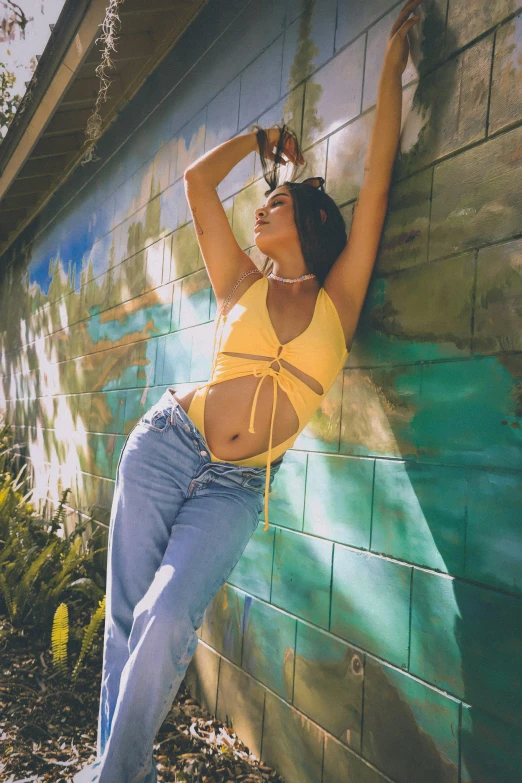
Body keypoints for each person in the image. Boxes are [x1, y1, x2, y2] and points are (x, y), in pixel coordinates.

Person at [73, 3, 420, 779]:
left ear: (314, 222)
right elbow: (198, 181)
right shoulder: (239, 284)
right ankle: (116, 774)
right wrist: (261, 141)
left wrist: (392, 67)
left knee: (164, 622)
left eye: (277, 199)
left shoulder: (340, 298)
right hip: (166, 446)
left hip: (235, 486)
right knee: (128, 623)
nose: (262, 204)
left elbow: (386, 173)